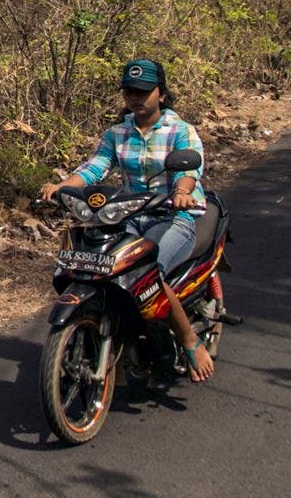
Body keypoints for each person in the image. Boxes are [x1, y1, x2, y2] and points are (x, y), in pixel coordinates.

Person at [40, 58, 215, 382]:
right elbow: (95, 168)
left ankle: (190, 342)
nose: (136, 97)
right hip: (130, 215)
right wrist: (65, 187)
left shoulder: (180, 131)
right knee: (100, 264)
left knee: (150, 271)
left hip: (174, 215)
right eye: (130, 91)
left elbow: (188, 169)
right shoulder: (117, 133)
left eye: (143, 91)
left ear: (161, 94)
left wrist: (181, 191)